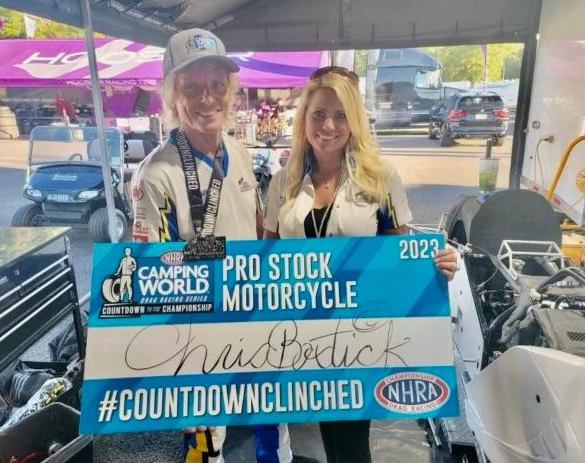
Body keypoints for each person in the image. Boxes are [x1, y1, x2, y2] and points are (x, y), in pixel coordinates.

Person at [130, 28, 310, 463]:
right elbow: (149, 276)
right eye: (191, 86)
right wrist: (172, 376)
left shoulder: (239, 151)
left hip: (254, 322)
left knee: (270, 426)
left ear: (231, 93)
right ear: (173, 96)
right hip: (196, 339)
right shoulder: (155, 175)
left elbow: (252, 227)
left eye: (216, 85)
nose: (206, 97)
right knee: (204, 446)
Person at [263, 66, 458, 463]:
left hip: (357, 335)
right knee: (321, 434)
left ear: (354, 121)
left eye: (340, 115)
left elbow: (398, 254)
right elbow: (265, 256)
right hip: (298, 334)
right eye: (318, 114)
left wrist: (435, 264)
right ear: (304, 119)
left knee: (351, 441)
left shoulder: (380, 178)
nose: (329, 125)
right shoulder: (283, 181)